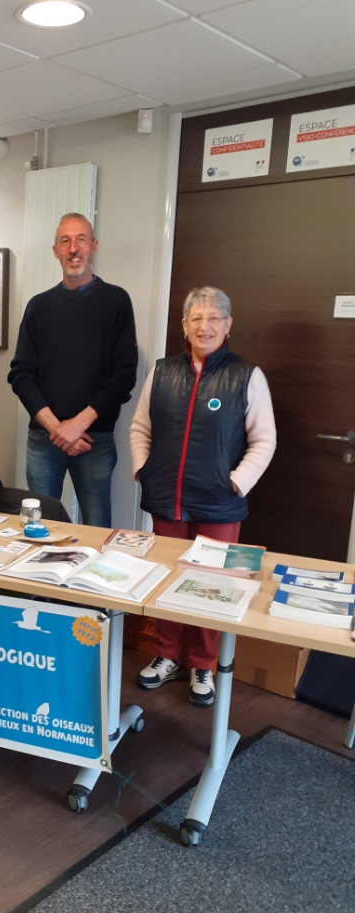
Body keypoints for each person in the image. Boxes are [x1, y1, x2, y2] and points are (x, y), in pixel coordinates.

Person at [130, 286, 276, 706]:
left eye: (214, 318)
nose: (205, 326)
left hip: (219, 503)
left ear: (228, 326)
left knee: (212, 585)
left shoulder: (247, 376)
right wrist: (144, 469)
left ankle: (203, 664)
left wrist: (236, 482)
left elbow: (263, 441)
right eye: (196, 318)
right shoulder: (162, 372)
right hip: (167, 501)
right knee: (167, 576)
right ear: (184, 326)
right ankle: (166, 654)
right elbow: (140, 427)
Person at [8, 212, 138, 528]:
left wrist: (77, 425)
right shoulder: (39, 306)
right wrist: (57, 429)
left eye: (81, 239)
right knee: (35, 526)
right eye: (65, 241)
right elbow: (20, 374)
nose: (73, 248)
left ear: (93, 247)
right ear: (55, 250)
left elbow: (123, 375)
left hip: (94, 440)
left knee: (97, 528)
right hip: (43, 441)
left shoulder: (116, 301)